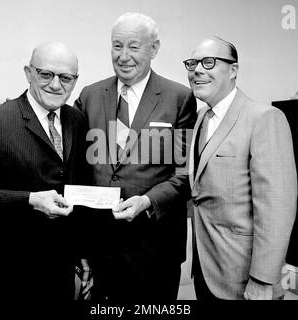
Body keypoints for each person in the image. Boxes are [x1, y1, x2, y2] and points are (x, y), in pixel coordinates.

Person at [74, 12, 197, 301]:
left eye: (134, 46)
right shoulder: (89, 95)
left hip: (155, 248)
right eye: (117, 46)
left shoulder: (179, 98)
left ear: (154, 49)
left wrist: (148, 201)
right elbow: (75, 163)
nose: (124, 56)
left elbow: (185, 173)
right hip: (100, 246)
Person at [184, 36, 297, 300]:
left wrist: (263, 279)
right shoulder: (202, 117)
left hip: (245, 279)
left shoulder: (264, 118)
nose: (197, 70)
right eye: (192, 64)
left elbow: (277, 208)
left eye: (208, 62)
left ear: (233, 70)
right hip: (206, 270)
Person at [0, 42, 87, 299]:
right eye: (46, 74)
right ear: (28, 73)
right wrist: (30, 200)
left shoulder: (77, 121)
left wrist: (83, 254)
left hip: (61, 272)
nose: (56, 85)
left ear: (75, 81)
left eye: (66, 78)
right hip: (6, 273)